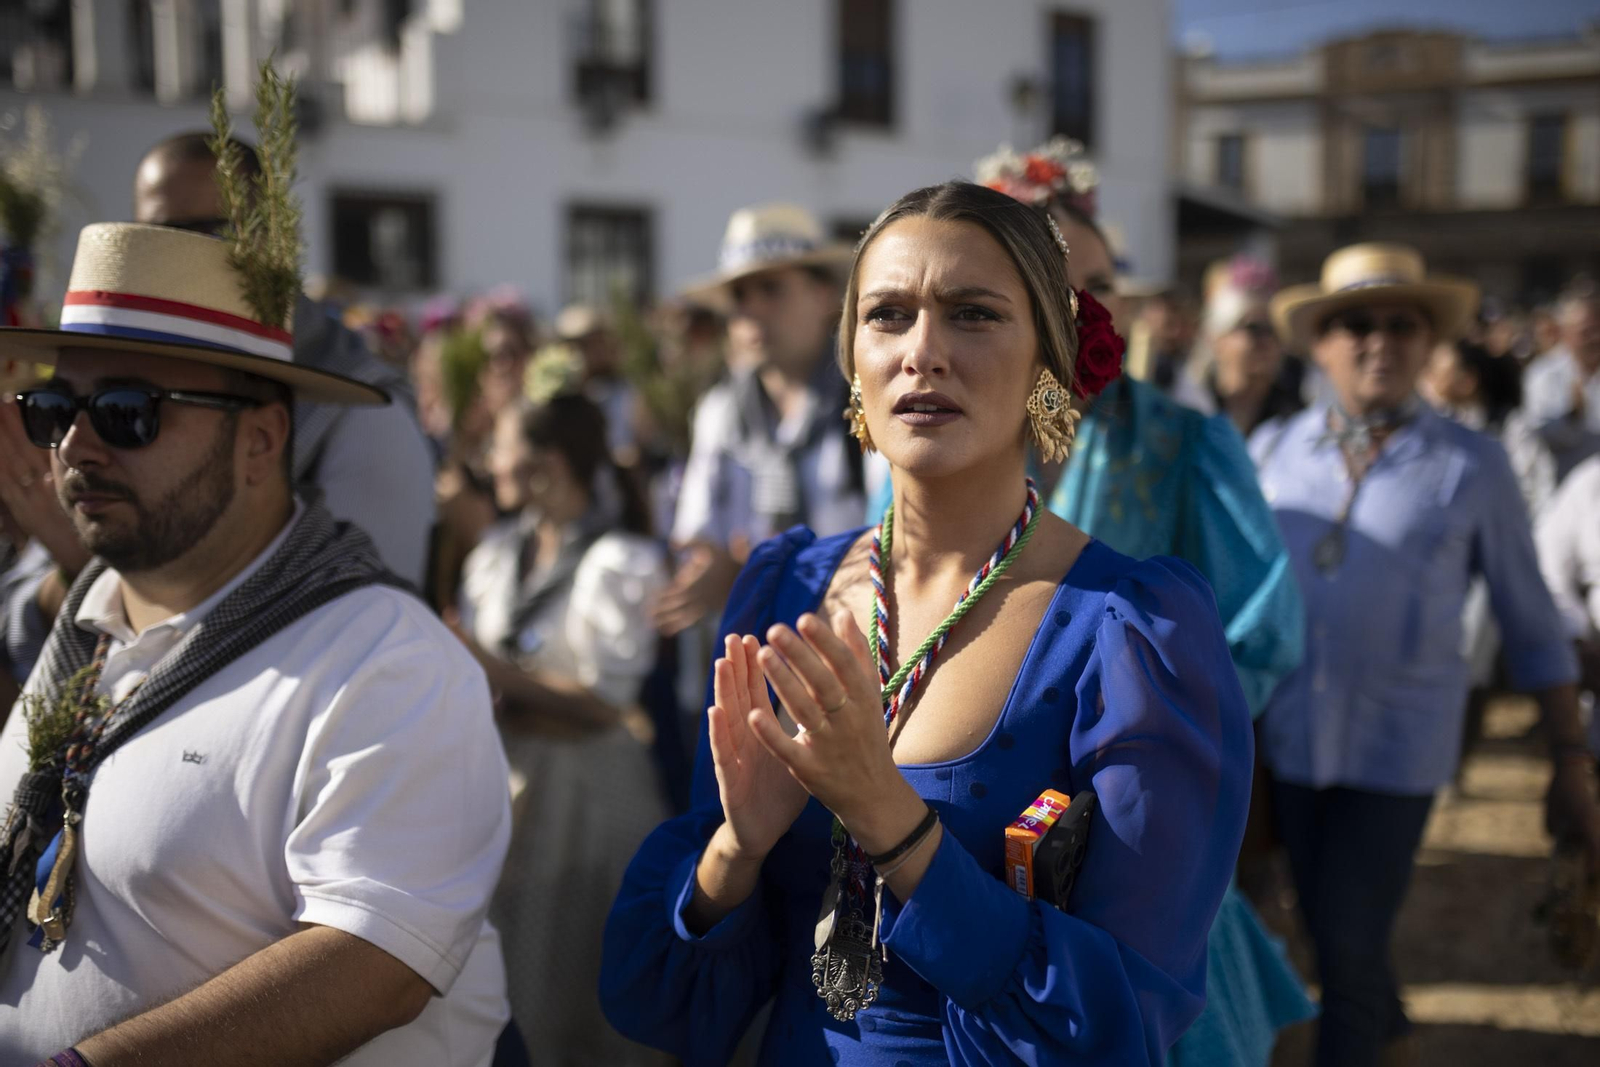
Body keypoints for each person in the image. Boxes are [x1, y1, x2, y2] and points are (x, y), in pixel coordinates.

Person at [599, 180, 1254, 1065]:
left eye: (974, 314)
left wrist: (888, 816)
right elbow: (670, 993)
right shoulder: (784, 588)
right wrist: (737, 847)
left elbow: (1117, 1016)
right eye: (889, 315)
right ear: (853, 363)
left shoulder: (1133, 630)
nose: (923, 351)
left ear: (1048, 361)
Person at [0, 221, 511, 1064]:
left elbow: (375, 964)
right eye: (54, 409)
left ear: (262, 439)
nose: (74, 447)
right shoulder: (88, 614)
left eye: (129, 412)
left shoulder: (384, 659)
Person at [975, 142, 1313, 1067]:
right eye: (1046, 278)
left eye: (1101, 281)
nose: (1080, 303)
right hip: (972, 830)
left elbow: (1263, 628)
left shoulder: (1185, 441)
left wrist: (1158, 751)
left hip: (1132, 820)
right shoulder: (944, 442)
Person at [1255, 243, 1600, 1067]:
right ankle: (1397, 1040)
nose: (1380, 341)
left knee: (1344, 936)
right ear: (1322, 341)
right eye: (1357, 324)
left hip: (1398, 748)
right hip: (1290, 740)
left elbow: (1530, 619)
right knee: (1329, 927)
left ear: (1427, 343)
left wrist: (1565, 755)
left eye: (1402, 324)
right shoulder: (1272, 450)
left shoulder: (1471, 464)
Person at [452, 387, 671, 1066]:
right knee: (511, 981)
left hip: (585, 790)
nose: (493, 459)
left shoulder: (618, 560)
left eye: (504, 445)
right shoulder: (498, 551)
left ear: (547, 461)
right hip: (512, 779)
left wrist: (490, 667)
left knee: (575, 983)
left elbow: (607, 701)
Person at [653, 204, 864, 638]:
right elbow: (697, 533)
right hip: (753, 647)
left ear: (825, 296)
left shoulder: (864, 401)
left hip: (853, 641)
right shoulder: (719, 411)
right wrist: (714, 568)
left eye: (771, 289)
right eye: (739, 296)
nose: (752, 311)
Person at [1183, 258, 1307, 439]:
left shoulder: (1296, 418)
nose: (1267, 341)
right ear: (1218, 338)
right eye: (1254, 328)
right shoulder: (1189, 407)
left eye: (1273, 329)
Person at [1522, 281, 1600, 483]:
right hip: (1564, 490)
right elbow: (1541, 434)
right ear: (1566, 332)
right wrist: (1573, 415)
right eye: (1586, 332)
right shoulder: (1543, 375)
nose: (1595, 338)